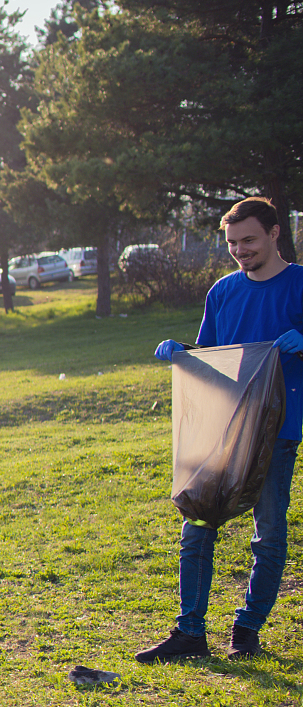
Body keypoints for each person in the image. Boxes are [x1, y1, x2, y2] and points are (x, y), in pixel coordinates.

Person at [142, 199, 303, 661]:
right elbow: (214, 363)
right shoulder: (224, 291)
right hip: (222, 431)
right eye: (232, 243)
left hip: (277, 431)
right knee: (196, 526)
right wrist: (184, 352)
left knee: (268, 534)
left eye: (249, 240)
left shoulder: (299, 285)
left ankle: (247, 629)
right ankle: (190, 632)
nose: (240, 250)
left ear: (275, 233)